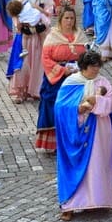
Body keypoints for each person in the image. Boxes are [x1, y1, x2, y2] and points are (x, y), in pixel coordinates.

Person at [54, 50, 112, 221]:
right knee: (78, 167)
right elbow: (60, 108)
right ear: (83, 67)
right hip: (77, 131)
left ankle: (98, 200)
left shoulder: (103, 82)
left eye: (98, 66)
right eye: (93, 67)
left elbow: (111, 103)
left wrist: (97, 101)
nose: (96, 70)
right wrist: (78, 109)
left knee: (98, 164)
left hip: (100, 131)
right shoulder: (70, 83)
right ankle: (71, 204)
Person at [36, 8, 86, 153]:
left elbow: (87, 56)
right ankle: (55, 144)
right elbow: (46, 58)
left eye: (72, 18)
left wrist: (81, 68)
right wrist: (63, 70)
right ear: (60, 20)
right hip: (56, 80)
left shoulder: (80, 36)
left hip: (76, 79)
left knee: (75, 108)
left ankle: (73, 141)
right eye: (66, 18)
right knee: (54, 107)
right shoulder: (52, 36)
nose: (69, 21)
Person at [7, 0, 54, 103]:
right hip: (25, 34)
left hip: (39, 34)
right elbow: (15, 11)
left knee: (38, 61)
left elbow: (49, 10)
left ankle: (35, 89)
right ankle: (20, 90)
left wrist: (43, 24)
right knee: (24, 61)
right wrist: (19, 24)